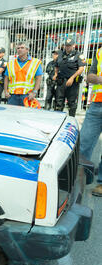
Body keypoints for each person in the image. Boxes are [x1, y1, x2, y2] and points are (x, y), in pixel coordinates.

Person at [79, 46, 102, 196]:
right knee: (84, 142)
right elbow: (90, 76)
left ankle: (101, 183)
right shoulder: (100, 51)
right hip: (97, 104)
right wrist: (99, 78)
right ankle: (79, 177)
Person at [4, 42, 43, 106]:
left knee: (25, 115)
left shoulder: (35, 62)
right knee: (11, 115)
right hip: (13, 96)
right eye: (18, 48)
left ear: (27, 50)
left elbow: (38, 78)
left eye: (22, 48)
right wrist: (5, 91)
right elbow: (6, 78)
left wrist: (34, 92)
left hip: (27, 95)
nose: (19, 49)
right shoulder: (11, 63)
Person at [54, 38, 86, 117]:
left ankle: (71, 119)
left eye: (69, 45)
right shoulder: (60, 54)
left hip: (72, 82)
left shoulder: (78, 55)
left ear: (73, 45)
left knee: (71, 102)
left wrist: (72, 78)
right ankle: (58, 119)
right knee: (59, 101)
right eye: (66, 45)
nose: (67, 47)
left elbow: (81, 68)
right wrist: (55, 74)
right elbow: (56, 66)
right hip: (61, 81)